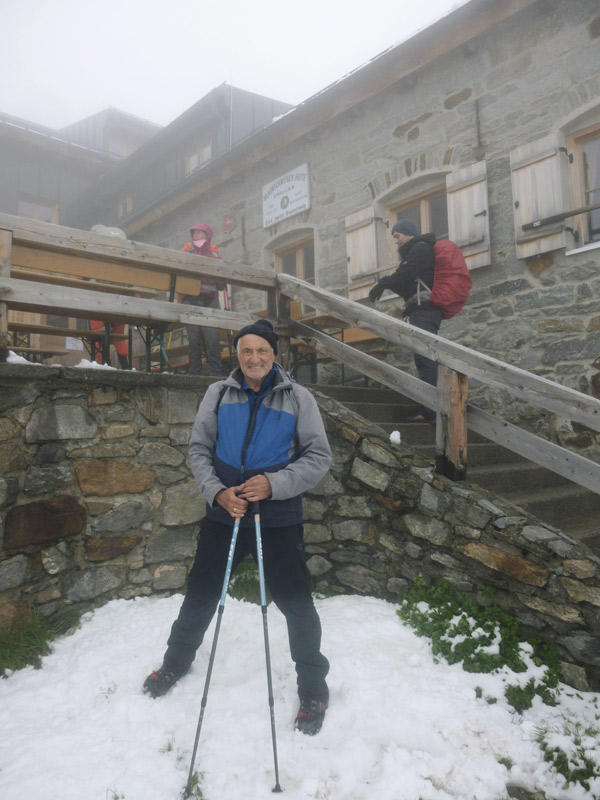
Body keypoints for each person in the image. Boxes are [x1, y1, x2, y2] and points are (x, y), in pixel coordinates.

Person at [143, 318, 332, 736]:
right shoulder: (218, 393)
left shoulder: (298, 397)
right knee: (200, 595)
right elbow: (199, 449)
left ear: (274, 355)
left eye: (262, 350)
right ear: (238, 354)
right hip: (225, 514)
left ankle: (314, 688)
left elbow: (318, 457)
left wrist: (274, 484)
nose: (254, 358)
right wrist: (216, 492)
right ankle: (175, 663)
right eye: (247, 350)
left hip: (277, 517)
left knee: (297, 604)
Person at [368, 218, 441, 423]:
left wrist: (383, 283)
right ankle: (430, 408)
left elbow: (402, 275)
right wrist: (387, 284)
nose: (396, 241)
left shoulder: (419, 249)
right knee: (423, 358)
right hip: (422, 311)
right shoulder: (417, 252)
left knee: (425, 359)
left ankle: (431, 411)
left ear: (408, 233)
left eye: (397, 236)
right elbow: (404, 283)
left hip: (424, 311)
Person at [180, 223, 226, 376]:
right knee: (194, 341)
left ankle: (216, 376)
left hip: (210, 301)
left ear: (207, 236)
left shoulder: (215, 255)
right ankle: (195, 375)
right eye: (194, 233)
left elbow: (221, 285)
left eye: (199, 233)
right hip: (190, 300)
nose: (196, 236)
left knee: (213, 340)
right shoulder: (186, 251)